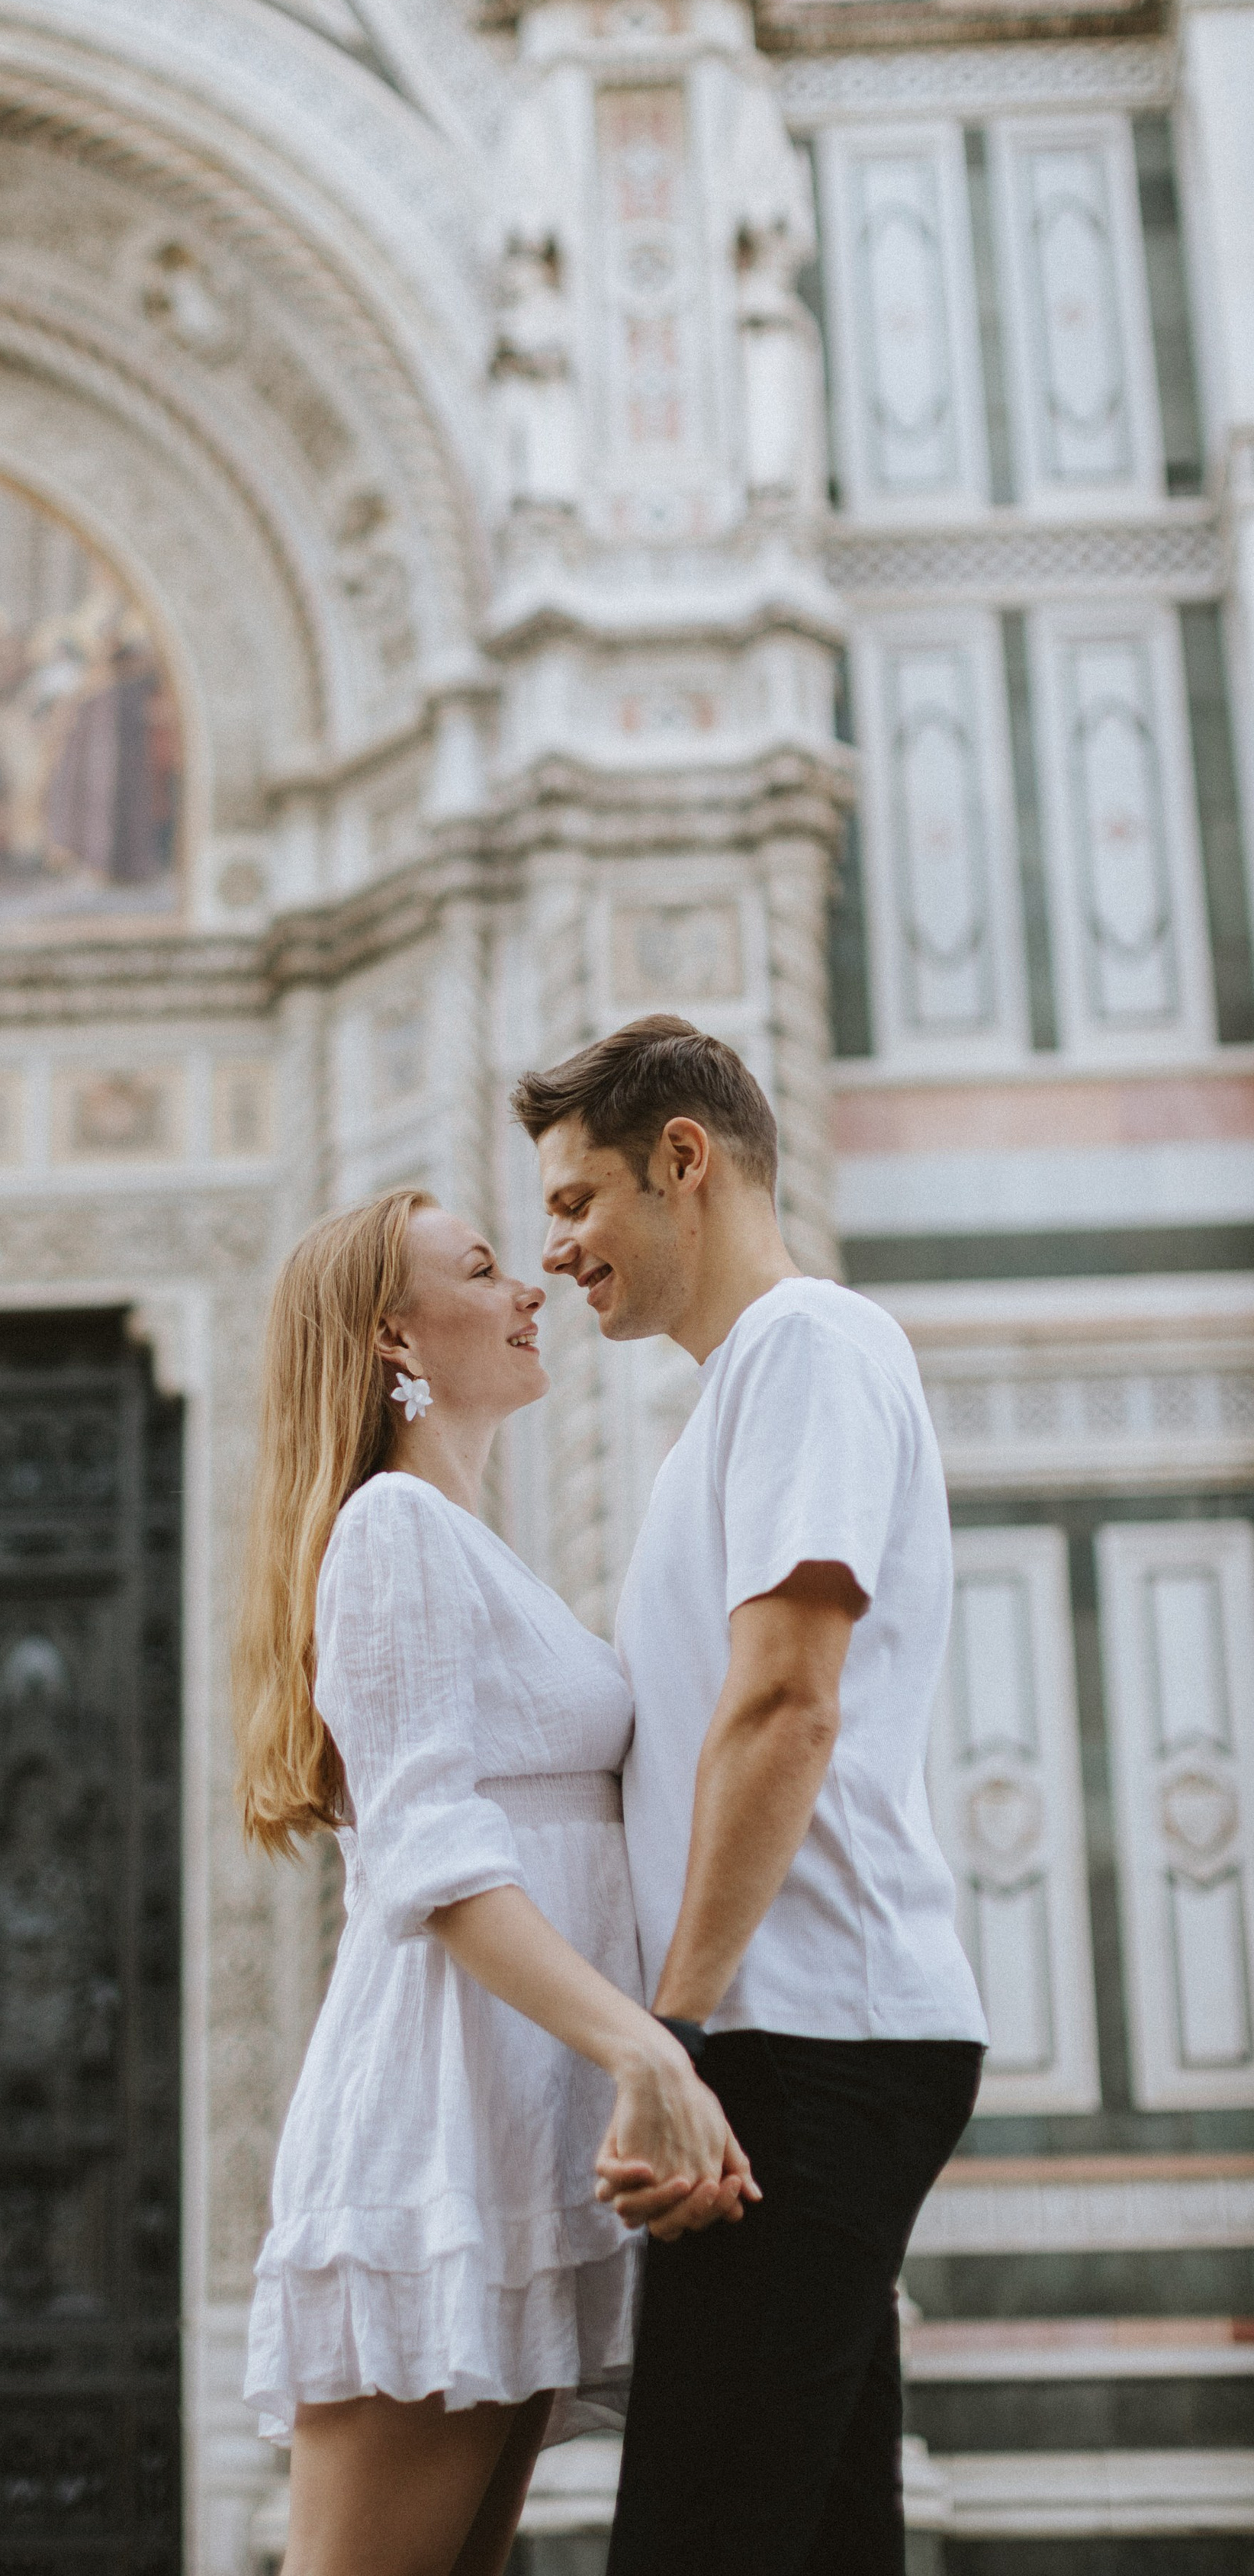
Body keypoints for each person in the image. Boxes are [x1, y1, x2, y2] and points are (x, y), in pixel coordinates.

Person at [513, 1015, 988, 2576]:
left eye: (575, 1201)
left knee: (699, 2545)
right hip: (811, 2047)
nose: (556, 1246)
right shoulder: (735, 1393)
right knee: (812, 2540)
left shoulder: (807, 1346)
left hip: (801, 2045)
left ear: (683, 1162)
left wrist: (678, 2036)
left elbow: (782, 1705)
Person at [233, 1188, 753, 2576]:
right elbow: (430, 1852)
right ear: (393, 1335)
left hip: (522, 2126)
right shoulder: (392, 1530)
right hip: (441, 2130)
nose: (529, 1287)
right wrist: (645, 2048)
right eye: (480, 1269)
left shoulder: (463, 1543)